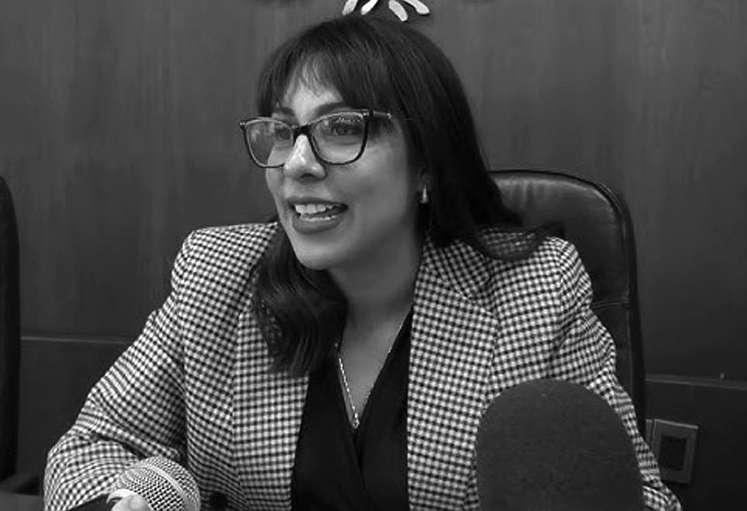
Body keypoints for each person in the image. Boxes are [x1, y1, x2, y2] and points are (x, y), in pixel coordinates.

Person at [44, 14, 681, 511]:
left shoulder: (534, 291)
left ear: (426, 165)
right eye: (283, 131)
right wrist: (125, 497)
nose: (297, 164)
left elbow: (640, 498)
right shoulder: (221, 274)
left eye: (343, 128)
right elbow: (93, 446)